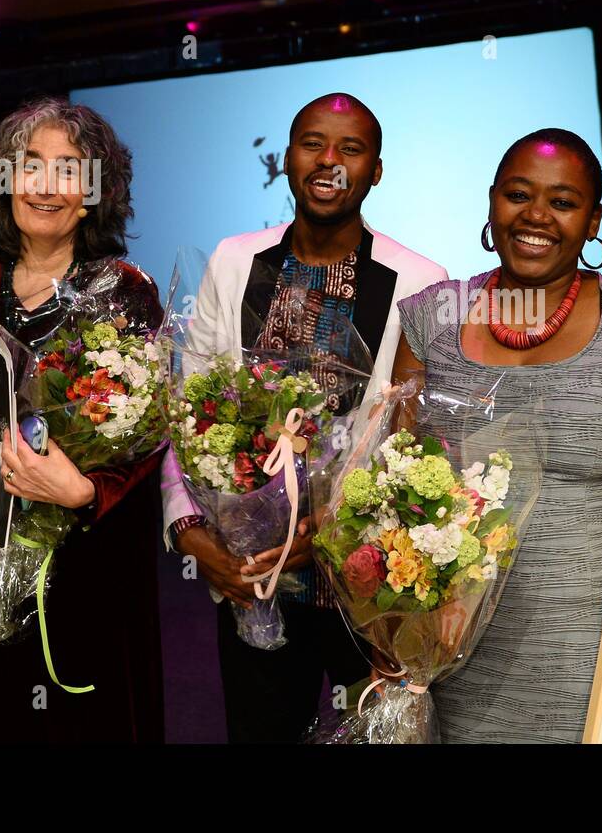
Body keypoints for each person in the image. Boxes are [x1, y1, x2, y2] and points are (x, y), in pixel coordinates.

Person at [162, 92, 447, 742]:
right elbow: (187, 407)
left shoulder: (419, 281)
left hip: (365, 584)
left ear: (376, 170)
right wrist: (189, 530)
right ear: (286, 158)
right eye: (314, 143)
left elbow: (414, 444)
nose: (331, 161)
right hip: (253, 573)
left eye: (352, 148)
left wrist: (333, 527)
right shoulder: (236, 261)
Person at [391, 127, 602, 742]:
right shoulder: (434, 316)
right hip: (454, 650)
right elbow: (390, 484)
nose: (536, 215)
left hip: (598, 650)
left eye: (563, 203)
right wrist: (398, 623)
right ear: (491, 201)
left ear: (593, 222)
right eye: (518, 194)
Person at [0, 97, 164, 742]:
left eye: (69, 169)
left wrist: (88, 492)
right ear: (5, 184)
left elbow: (149, 436)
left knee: (80, 716)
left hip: (84, 549)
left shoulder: (125, 291)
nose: (46, 185)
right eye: (30, 166)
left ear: (94, 194)